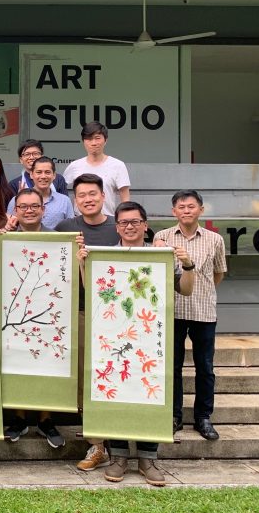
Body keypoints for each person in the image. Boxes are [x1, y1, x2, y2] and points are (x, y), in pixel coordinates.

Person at [76, 200, 196, 487]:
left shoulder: (159, 256)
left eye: (135, 222)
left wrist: (188, 264)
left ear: (145, 225)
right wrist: (83, 263)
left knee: (150, 391)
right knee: (115, 390)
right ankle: (118, 457)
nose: (129, 227)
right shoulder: (105, 256)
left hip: (149, 338)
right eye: (123, 223)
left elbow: (186, 290)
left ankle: (148, 458)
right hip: (114, 339)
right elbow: (90, 289)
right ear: (117, 227)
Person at [56, 173, 119, 473]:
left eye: (93, 193)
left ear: (103, 195)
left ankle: (120, 439)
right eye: (81, 195)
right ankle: (98, 445)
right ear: (75, 200)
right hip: (78, 313)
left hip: (116, 318)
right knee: (86, 379)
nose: (87, 199)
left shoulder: (119, 226)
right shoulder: (66, 228)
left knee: (114, 377)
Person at [153, 190, 227, 441]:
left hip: (203, 311)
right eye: (181, 207)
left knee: (205, 367)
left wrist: (202, 292)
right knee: (172, 366)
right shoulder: (162, 237)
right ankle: (174, 415)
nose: (186, 211)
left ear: (201, 210)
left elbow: (218, 273)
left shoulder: (215, 239)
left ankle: (203, 417)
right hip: (172, 311)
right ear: (173, 211)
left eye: (191, 206)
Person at [3, 188, 66, 449]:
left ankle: (45, 419)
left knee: (48, 363)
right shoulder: (5, 239)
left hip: (48, 310)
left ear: (43, 209)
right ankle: (19, 418)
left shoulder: (59, 240)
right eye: (23, 207)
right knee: (16, 361)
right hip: (14, 310)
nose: (29, 211)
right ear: (15, 211)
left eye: (34, 206)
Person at [62, 121, 131, 216]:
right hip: (80, 219)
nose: (93, 143)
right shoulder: (74, 166)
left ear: (105, 140)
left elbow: (125, 197)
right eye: (89, 139)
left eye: (97, 138)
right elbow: (60, 189)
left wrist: (124, 217)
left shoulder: (118, 165)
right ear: (83, 141)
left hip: (107, 218)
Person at [6, 157, 74, 230]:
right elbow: (9, 226)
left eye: (47, 172)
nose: (43, 176)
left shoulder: (65, 201)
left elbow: (71, 228)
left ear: (54, 175)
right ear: (31, 174)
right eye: (39, 172)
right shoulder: (16, 200)